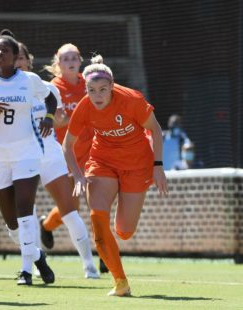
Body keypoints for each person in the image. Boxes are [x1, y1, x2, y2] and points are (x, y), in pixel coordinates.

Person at [63, 54, 168, 296]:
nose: (97, 95)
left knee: (124, 231)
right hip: (102, 161)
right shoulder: (85, 107)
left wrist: (158, 166)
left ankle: (124, 202)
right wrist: (78, 176)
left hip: (137, 164)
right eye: (91, 90)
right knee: (98, 220)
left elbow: (155, 129)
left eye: (102, 89)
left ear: (112, 86)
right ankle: (121, 282)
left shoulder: (131, 99)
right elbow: (67, 147)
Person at [0, 29, 55, 286]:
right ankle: (38, 256)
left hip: (27, 151)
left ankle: (25, 271)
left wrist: (50, 118)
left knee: (24, 210)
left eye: (5, 50)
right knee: (11, 225)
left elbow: (50, 97)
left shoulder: (29, 79)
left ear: (15, 54)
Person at [15, 42, 99, 279]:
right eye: (15, 58)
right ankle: (30, 263)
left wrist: (56, 118)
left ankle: (91, 265)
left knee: (72, 209)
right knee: (23, 216)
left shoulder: (47, 89)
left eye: (22, 58)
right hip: (20, 156)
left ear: (29, 61)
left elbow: (58, 115)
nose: (18, 62)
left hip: (52, 153)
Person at [38, 44, 93, 249]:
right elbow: (53, 119)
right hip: (66, 153)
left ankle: (104, 251)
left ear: (80, 61)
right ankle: (46, 225)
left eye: (74, 58)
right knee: (72, 207)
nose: (70, 62)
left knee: (97, 202)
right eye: (65, 58)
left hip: (91, 151)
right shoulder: (54, 87)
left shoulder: (89, 83)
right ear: (58, 63)